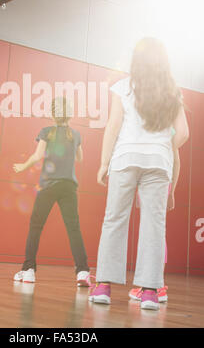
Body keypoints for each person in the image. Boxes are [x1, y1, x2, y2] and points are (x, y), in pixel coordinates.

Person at [89, 37, 189, 310]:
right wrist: (161, 146)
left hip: (125, 159)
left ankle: (104, 287)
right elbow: (183, 134)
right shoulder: (173, 92)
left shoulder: (123, 87)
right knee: (154, 226)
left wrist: (103, 163)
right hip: (158, 163)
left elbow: (113, 126)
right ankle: (149, 292)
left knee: (114, 221)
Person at [13, 97, 90, 285]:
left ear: (53, 114)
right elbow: (80, 158)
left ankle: (29, 270)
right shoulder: (76, 134)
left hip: (48, 186)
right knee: (74, 229)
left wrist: (23, 166)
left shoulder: (46, 132)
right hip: (69, 187)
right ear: (69, 114)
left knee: (36, 226)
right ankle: (82, 272)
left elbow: (38, 156)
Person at [129, 148, 180, 303]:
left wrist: (171, 193)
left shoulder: (164, 129)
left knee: (154, 232)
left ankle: (156, 286)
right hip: (158, 181)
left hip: (157, 180)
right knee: (154, 231)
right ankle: (155, 285)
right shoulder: (166, 130)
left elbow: (176, 161)